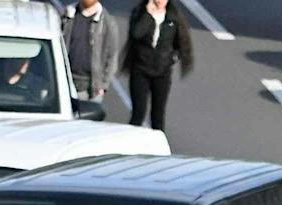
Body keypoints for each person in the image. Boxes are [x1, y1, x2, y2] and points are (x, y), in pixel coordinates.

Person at [123, 0, 193, 132]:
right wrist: (148, 15)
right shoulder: (139, 13)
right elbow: (136, 33)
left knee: (158, 115)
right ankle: (131, 144)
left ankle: (158, 148)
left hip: (162, 73)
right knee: (138, 113)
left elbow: (181, 43)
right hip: (140, 70)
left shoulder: (173, 17)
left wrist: (171, 59)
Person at [63, 0, 124, 109]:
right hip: (66, 82)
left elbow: (112, 56)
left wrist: (103, 85)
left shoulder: (107, 22)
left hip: (92, 87)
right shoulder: (67, 16)